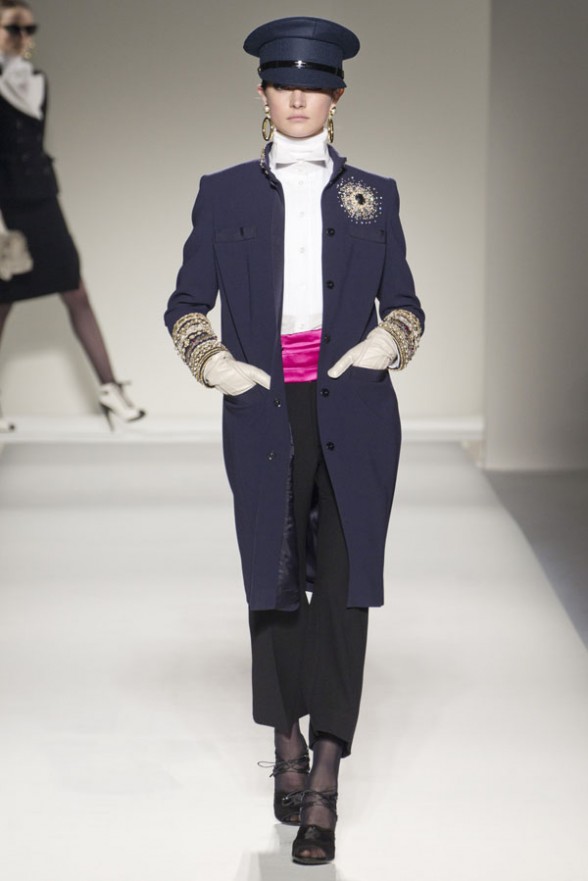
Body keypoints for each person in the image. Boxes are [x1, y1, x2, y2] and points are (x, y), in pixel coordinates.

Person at [165, 16, 424, 866]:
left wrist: (388, 341)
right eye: (286, 84)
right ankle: (284, 741)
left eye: (315, 85)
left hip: (355, 408)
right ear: (264, 92)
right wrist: (215, 365)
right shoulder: (224, 192)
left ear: (337, 96)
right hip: (265, 408)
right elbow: (184, 302)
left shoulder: (376, 193)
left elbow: (406, 301)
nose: (300, 97)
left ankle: (325, 778)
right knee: (273, 577)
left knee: (345, 587)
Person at [0, 0, 144, 432]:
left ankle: (110, 389)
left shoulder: (36, 80)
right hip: (7, 207)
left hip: (43, 200)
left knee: (75, 290)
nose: (23, 37)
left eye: (29, 29)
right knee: (2, 300)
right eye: (13, 28)